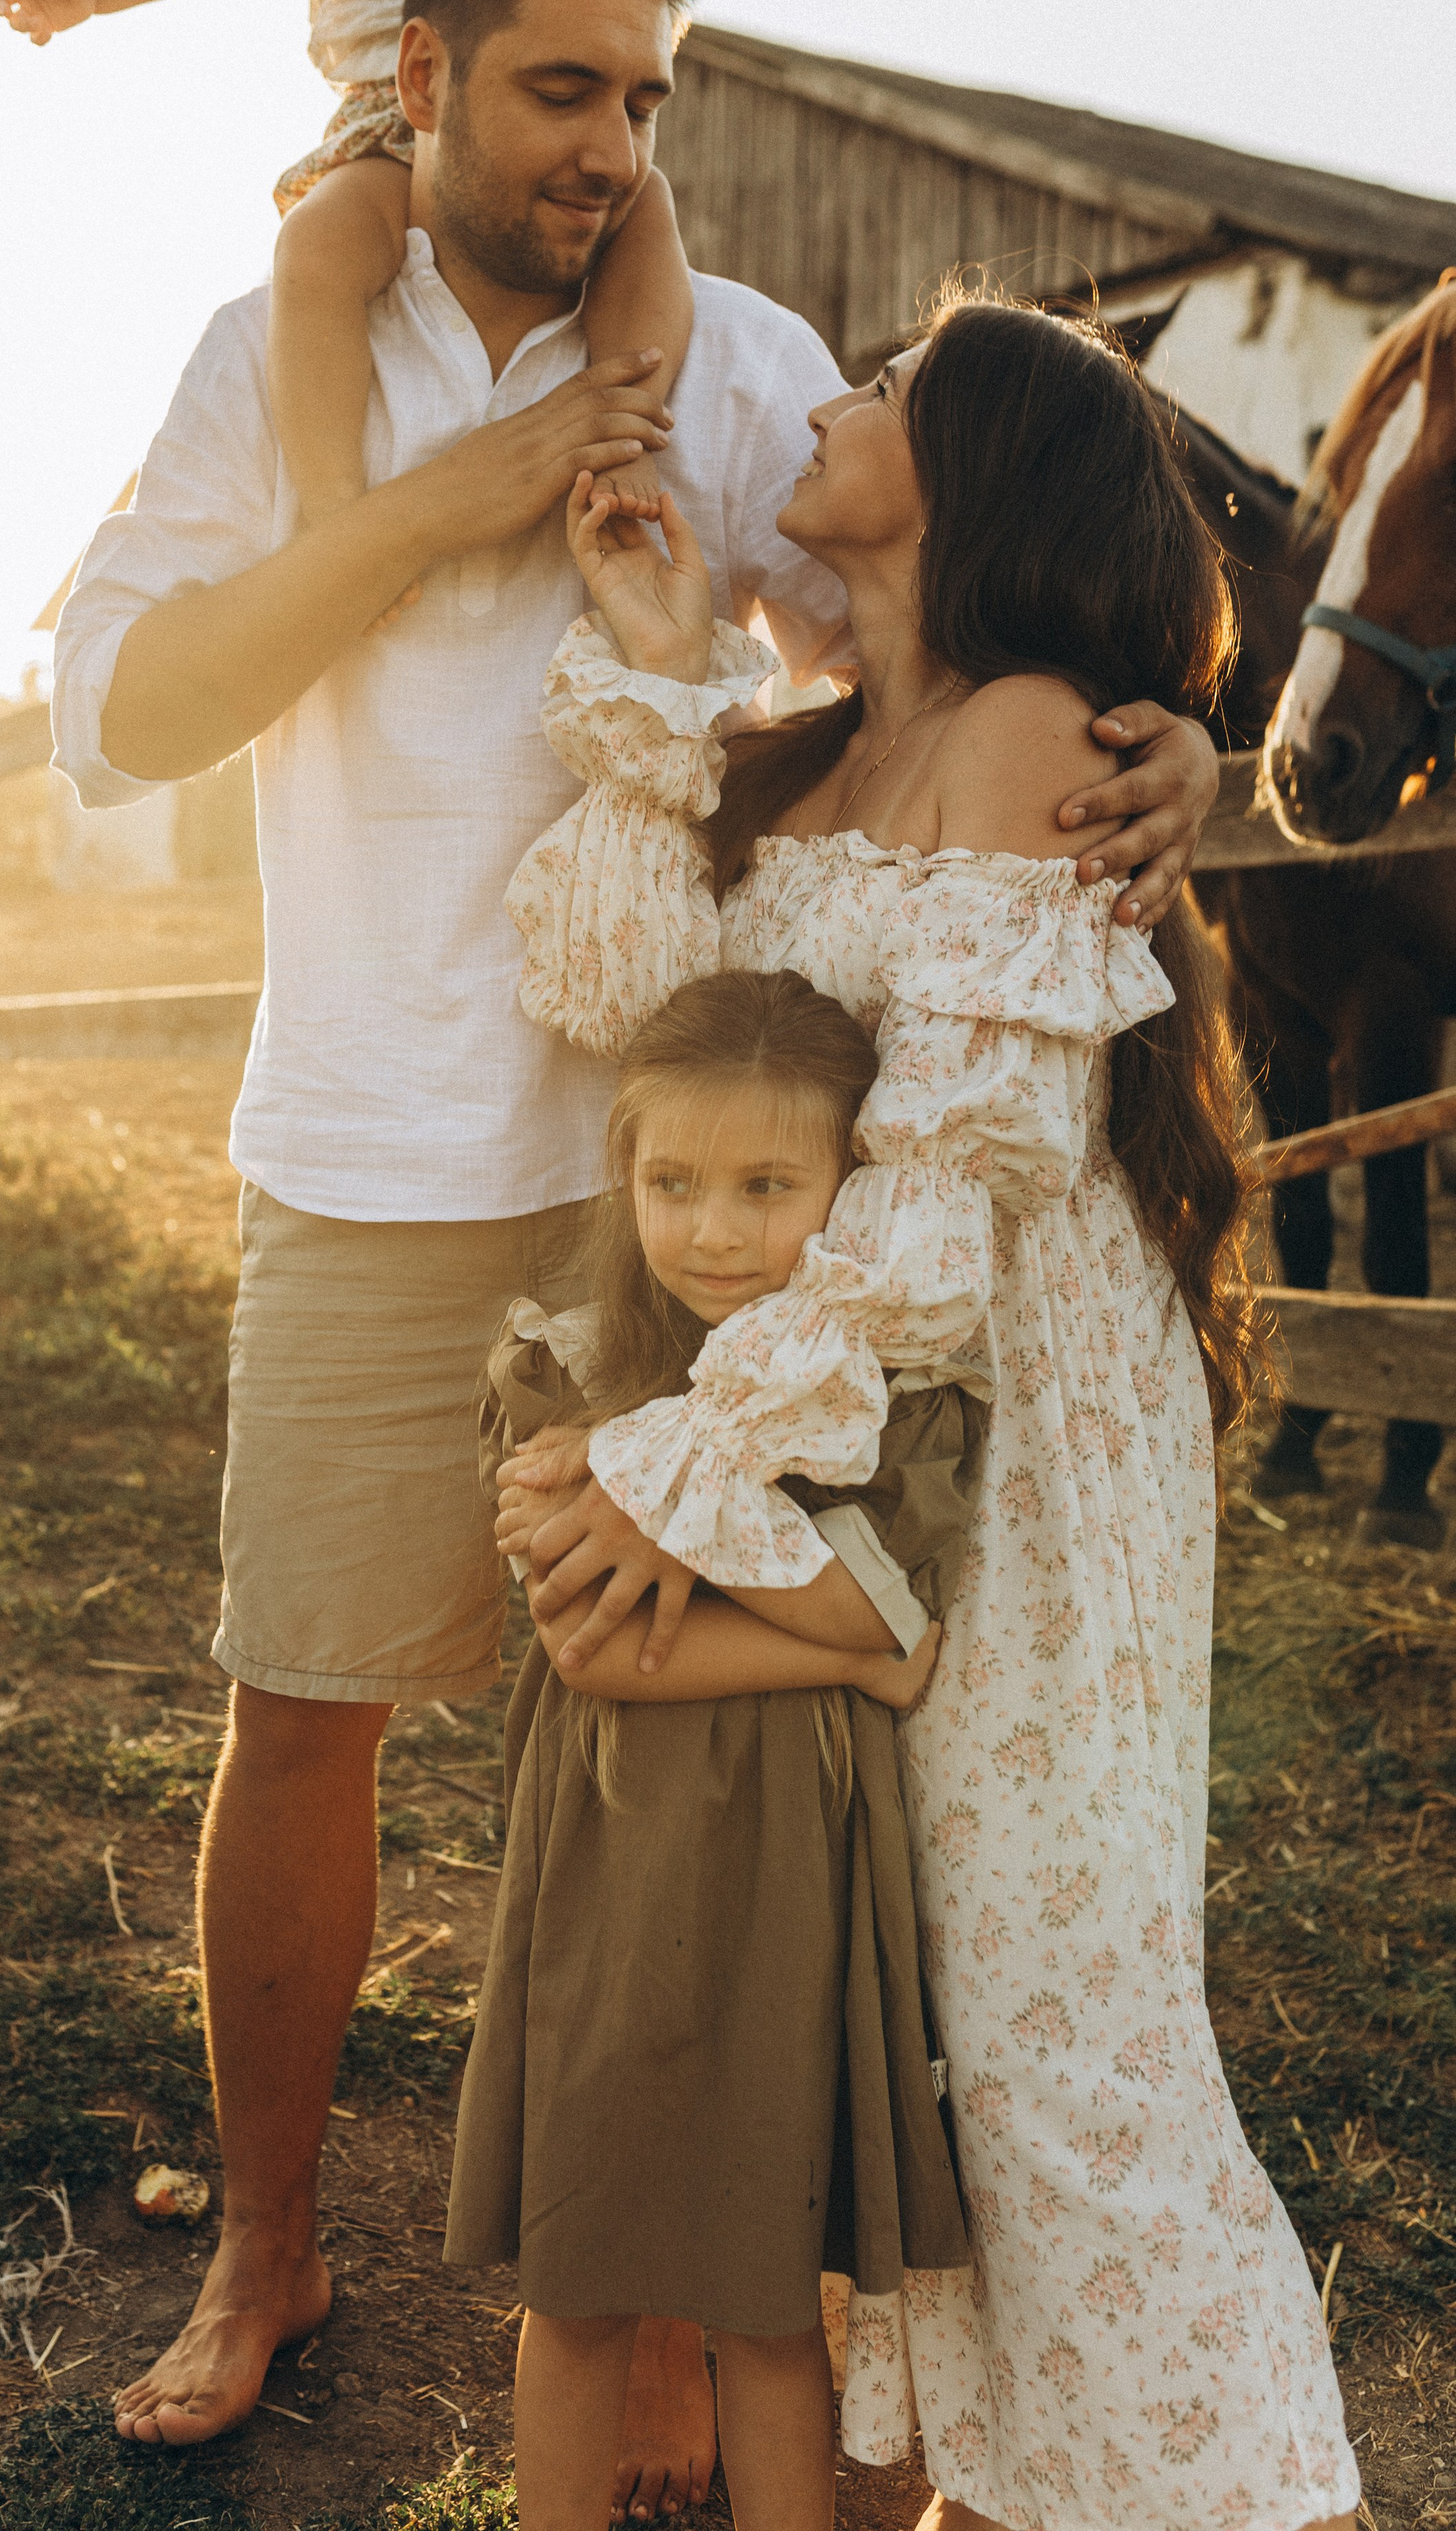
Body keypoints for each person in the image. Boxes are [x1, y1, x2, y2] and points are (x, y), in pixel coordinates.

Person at [48, 0, 1221, 2500]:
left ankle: (688, 2276)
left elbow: (924, 656)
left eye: (642, 100)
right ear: (419, 75)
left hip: (707, 1203)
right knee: (305, 1700)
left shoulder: (743, 368)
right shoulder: (269, 355)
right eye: (558, 88)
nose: (605, 146)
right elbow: (122, 710)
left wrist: (1142, 738)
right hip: (366, 1154)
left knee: (672, 1752)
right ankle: (266, 2241)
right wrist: (431, 512)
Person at [505, 297, 1360, 2530]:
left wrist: (689, 1473)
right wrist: (665, 673)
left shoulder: (1025, 731)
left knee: (1049, 1997)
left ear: (980, 465)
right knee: (896, 1989)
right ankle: (964, 2486)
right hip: (855, 1411)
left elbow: (942, 1192)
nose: (825, 398)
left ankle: (1229, 2488)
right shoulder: (810, 747)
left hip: (1011, 1416)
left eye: (883, 389)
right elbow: (614, 997)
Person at [447, 964, 976, 2531]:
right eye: (671, 1181)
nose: (715, 1231)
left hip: (792, 1871)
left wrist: (842, 1611)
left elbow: (888, 1608)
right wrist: (860, 1654)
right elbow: (591, 1644)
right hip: (609, 1858)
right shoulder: (569, 1368)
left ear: (849, 1191)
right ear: (621, 1170)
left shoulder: (871, 1394)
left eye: (767, 1187)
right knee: (578, 2276)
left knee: (765, 2295)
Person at [0, 0, 692, 544]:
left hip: (497, 136)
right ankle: (334, 508)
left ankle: (623, 423)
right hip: (386, 129)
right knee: (315, 248)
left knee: (649, 206)